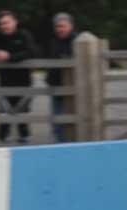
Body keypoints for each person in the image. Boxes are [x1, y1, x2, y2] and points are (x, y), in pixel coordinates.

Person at [0, 10, 38, 143]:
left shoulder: (24, 35)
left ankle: (25, 143)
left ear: (15, 22)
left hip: (24, 83)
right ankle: (1, 142)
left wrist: (9, 57)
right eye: (1, 23)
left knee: (22, 118)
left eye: (7, 22)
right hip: (4, 84)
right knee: (4, 119)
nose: (4, 26)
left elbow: (32, 52)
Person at [46, 12, 77, 142]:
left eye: (63, 26)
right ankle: (60, 147)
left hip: (73, 91)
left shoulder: (76, 41)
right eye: (58, 26)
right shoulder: (54, 42)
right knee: (57, 123)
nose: (60, 29)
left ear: (71, 26)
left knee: (72, 122)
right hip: (56, 89)